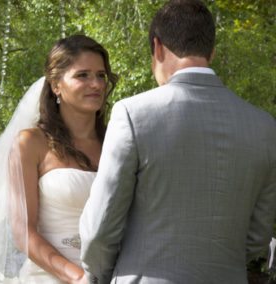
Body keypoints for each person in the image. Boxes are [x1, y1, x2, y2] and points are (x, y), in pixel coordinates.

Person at [79, 0, 276, 283]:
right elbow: (257, 238)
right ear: (212, 52)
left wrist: (98, 275)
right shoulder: (264, 126)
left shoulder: (133, 114)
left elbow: (101, 227)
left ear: (157, 47)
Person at [0, 34, 117, 283]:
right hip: (51, 275)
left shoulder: (116, 142)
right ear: (56, 84)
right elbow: (23, 232)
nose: (96, 84)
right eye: (83, 75)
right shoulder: (31, 143)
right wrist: (78, 277)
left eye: (101, 75)